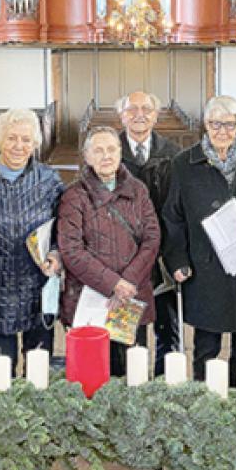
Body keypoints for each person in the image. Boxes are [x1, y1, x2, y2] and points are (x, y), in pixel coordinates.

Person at [163, 95, 236, 385]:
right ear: (205, 125)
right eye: (216, 124)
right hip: (205, 270)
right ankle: (207, 407)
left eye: (230, 125)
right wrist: (178, 261)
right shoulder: (183, 164)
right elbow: (172, 218)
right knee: (207, 350)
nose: (222, 131)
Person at [0, 109, 64, 380]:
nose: (19, 146)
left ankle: (36, 420)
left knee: (38, 369)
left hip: (37, 284)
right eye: (12, 138)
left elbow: (62, 227)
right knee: (0, 372)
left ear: (35, 144)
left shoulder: (48, 179)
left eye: (26, 140)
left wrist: (56, 253)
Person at [58, 126, 160, 375]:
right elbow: (71, 249)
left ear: (120, 152)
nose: (106, 156)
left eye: (112, 149)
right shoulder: (74, 196)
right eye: (98, 150)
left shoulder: (138, 189)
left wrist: (128, 281)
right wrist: (113, 283)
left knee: (132, 372)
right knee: (94, 374)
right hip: (89, 298)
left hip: (132, 295)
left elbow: (152, 238)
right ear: (87, 157)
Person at [117, 91, 182, 375]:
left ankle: (165, 385)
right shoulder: (110, 151)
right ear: (122, 116)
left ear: (156, 115)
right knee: (128, 329)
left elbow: (180, 207)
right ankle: (132, 385)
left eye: (146, 109)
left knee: (168, 326)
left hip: (164, 255)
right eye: (132, 109)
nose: (139, 114)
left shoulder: (172, 153)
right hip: (123, 258)